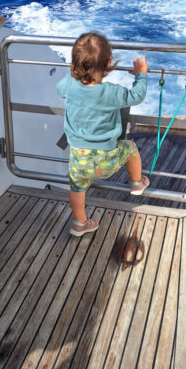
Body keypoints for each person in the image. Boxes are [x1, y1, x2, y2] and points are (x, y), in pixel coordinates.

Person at [56, 31, 149, 237]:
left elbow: (59, 87)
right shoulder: (111, 92)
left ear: (75, 63)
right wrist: (141, 74)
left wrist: (73, 72)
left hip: (79, 160)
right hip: (107, 160)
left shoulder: (68, 86)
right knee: (131, 149)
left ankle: (80, 223)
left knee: (77, 190)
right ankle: (136, 183)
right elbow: (136, 96)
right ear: (108, 63)